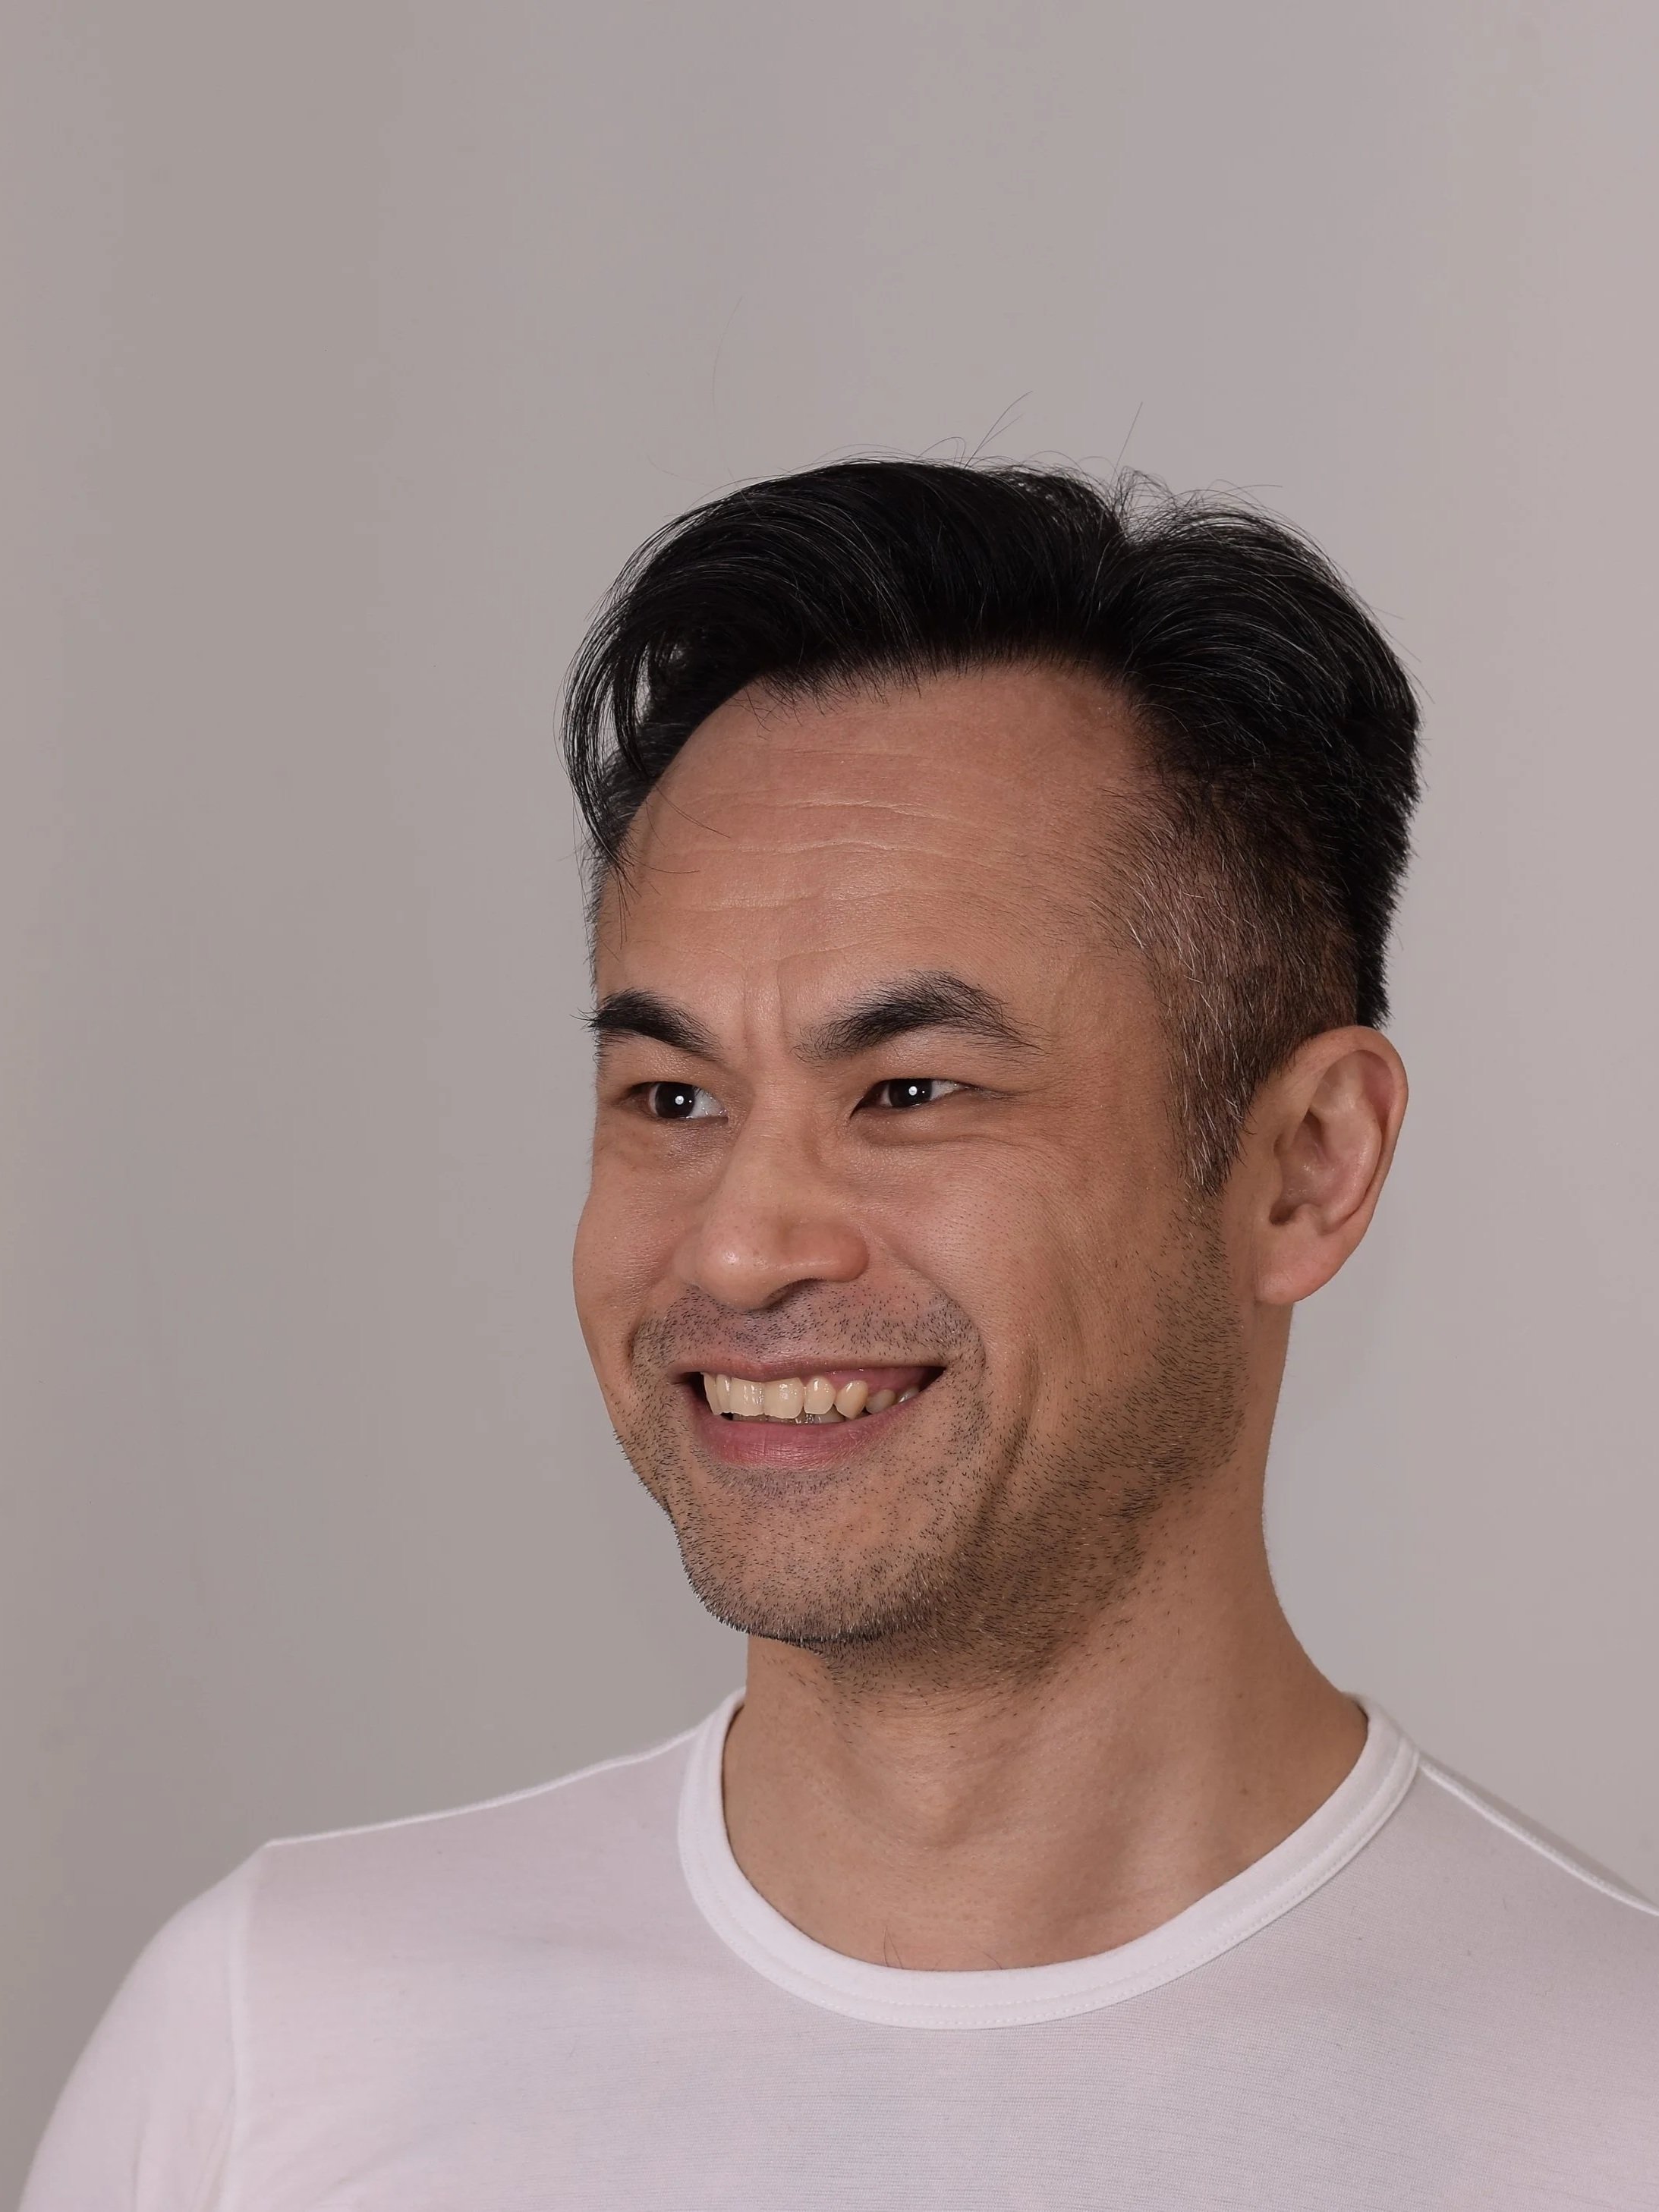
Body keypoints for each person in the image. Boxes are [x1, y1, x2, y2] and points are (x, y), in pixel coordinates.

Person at [24, 460, 1656, 2209]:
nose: (736, 1242)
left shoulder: (1602, 2111)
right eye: (668, 1094)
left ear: (1303, 1170)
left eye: (911, 1089)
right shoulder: (278, 2037)